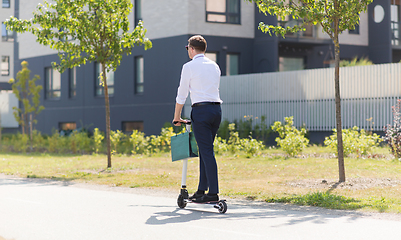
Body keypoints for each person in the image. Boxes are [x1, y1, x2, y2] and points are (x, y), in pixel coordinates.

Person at [173, 35, 222, 203]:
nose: (188, 51)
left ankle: (213, 193)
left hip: (201, 111)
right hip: (216, 110)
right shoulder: (214, 66)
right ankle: (202, 190)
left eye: (188, 48)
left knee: (207, 151)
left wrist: (176, 116)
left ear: (192, 49)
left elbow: (182, 93)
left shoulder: (189, 67)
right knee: (205, 149)